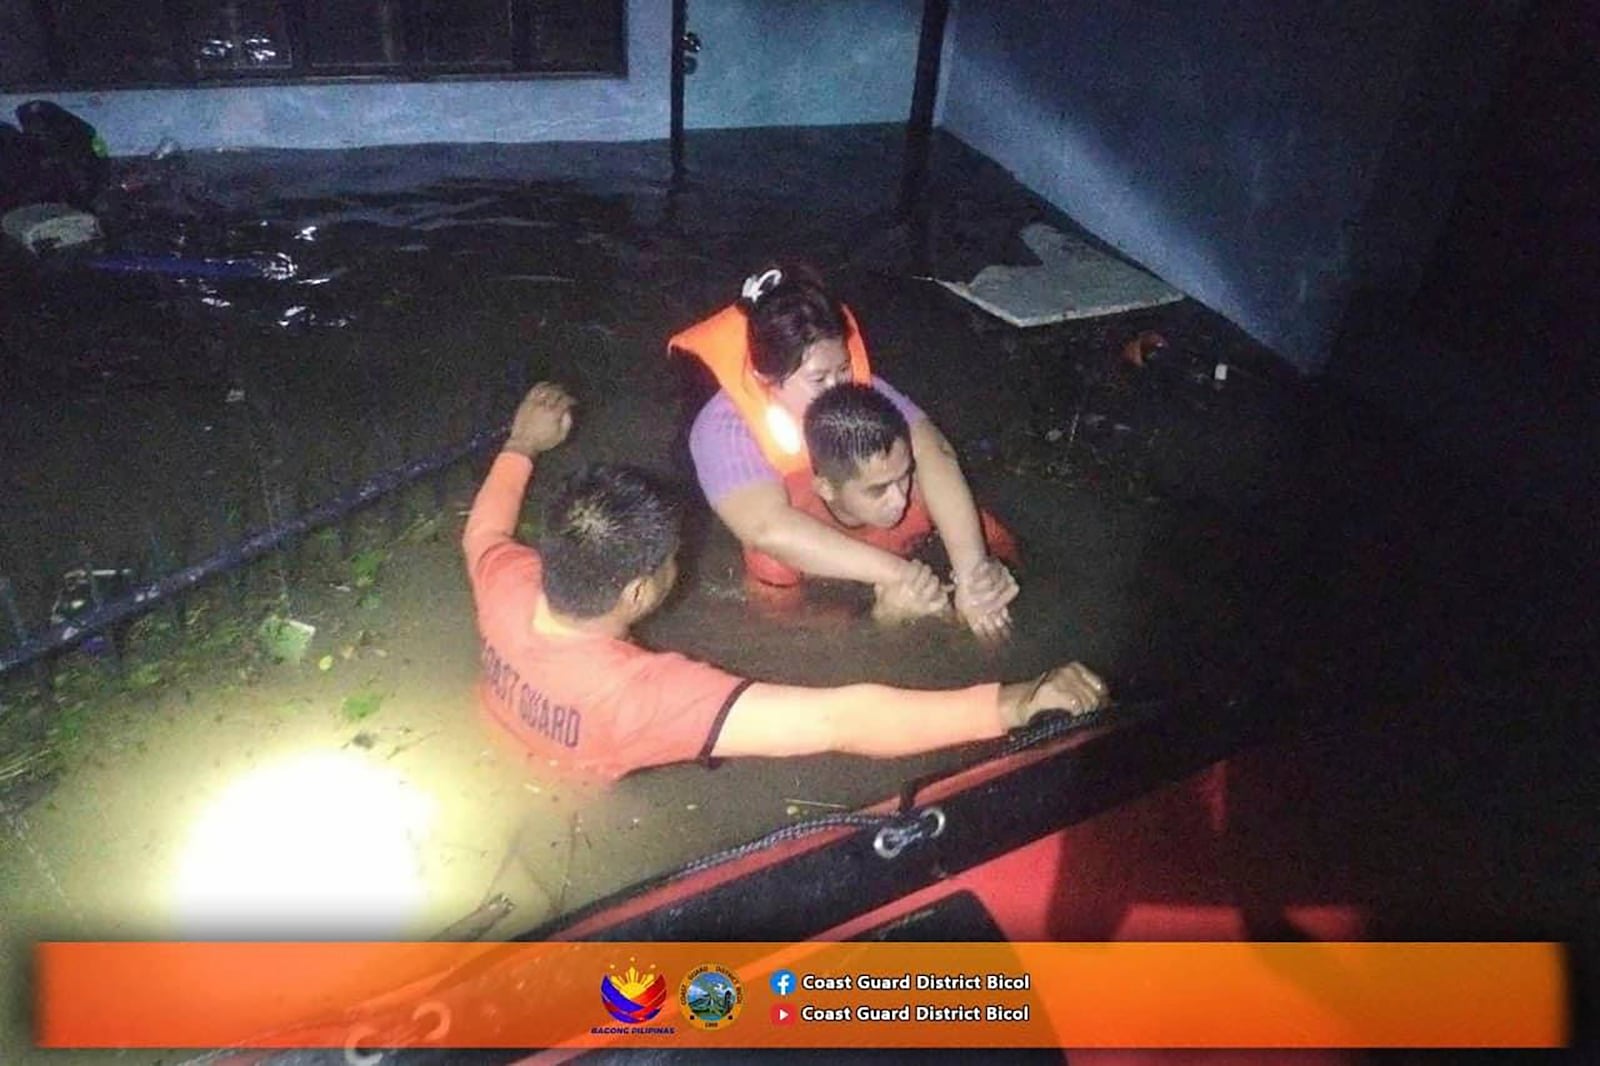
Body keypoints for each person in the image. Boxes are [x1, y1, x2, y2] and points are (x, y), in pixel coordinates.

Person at [463, 382, 1111, 781]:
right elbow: (840, 720)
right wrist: (1018, 702)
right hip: (582, 781)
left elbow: (483, 531)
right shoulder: (646, 699)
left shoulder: (507, 583)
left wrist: (521, 443)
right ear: (638, 593)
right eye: (667, 565)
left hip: (497, 736)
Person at [670, 264, 1019, 641]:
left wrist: (974, 574)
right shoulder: (723, 428)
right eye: (819, 379)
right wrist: (899, 577)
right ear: (766, 379)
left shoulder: (854, 389)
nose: (839, 387)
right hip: (740, 493)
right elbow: (766, 530)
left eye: (844, 369)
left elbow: (936, 453)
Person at [796, 382, 1021, 625]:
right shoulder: (792, 534)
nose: (900, 499)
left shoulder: (929, 494)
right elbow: (791, 633)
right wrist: (882, 618)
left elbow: (1005, 549)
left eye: (904, 475)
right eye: (878, 489)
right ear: (826, 489)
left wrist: (995, 574)